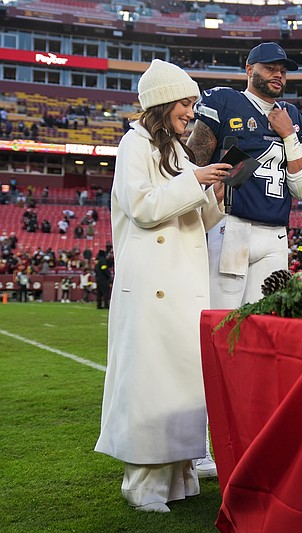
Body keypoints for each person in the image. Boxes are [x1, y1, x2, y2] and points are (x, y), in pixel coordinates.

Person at [95, 59, 230, 513]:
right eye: (186, 102)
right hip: (153, 284)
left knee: (182, 384)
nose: (191, 112)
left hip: (182, 283)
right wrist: (195, 179)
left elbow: (194, 221)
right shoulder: (134, 144)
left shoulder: (174, 149)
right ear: (162, 102)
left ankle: (178, 479)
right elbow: (144, 208)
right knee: (153, 383)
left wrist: (214, 196)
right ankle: (143, 486)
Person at [188, 42, 302, 308]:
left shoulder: (292, 117)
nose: (278, 75)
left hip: (276, 234)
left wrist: (289, 135)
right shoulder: (225, 102)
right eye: (270, 68)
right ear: (249, 69)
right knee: (223, 317)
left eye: (282, 70)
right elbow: (192, 166)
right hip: (230, 226)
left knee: (266, 320)